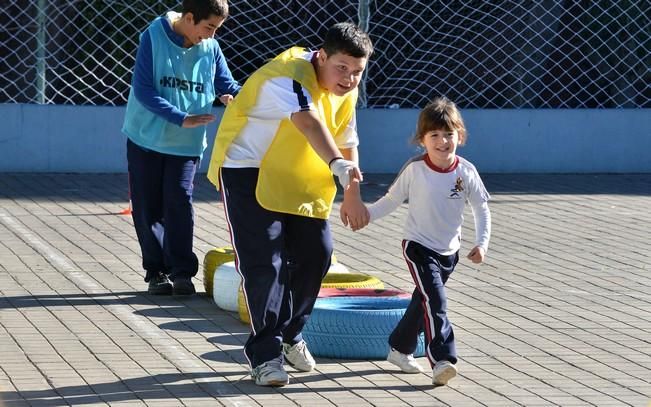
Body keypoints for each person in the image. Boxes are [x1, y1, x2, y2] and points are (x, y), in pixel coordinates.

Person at [206, 22, 373, 386]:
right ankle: (265, 354)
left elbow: (346, 137)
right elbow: (310, 123)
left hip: (295, 173)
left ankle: (290, 335)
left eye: (357, 72)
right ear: (322, 56)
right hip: (248, 170)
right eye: (341, 68)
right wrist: (337, 166)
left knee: (318, 253)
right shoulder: (290, 76)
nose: (347, 79)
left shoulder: (346, 91)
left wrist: (352, 193)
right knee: (265, 262)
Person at [357, 96, 491, 386]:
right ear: (422, 139)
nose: (443, 142)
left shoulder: (466, 171)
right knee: (436, 300)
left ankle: (400, 348)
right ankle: (442, 359)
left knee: (423, 300)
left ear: (460, 136)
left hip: (450, 251)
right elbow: (392, 199)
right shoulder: (415, 169)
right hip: (418, 246)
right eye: (435, 136)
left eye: (449, 135)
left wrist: (482, 243)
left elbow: (481, 207)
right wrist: (366, 215)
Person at [122, 0, 240, 296]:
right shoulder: (153, 35)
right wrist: (181, 118)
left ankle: (182, 272)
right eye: (209, 27)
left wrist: (233, 96)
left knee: (178, 202)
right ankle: (156, 272)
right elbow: (143, 90)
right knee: (148, 207)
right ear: (189, 17)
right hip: (145, 138)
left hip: (186, 145)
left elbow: (226, 83)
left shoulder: (210, 48)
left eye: (216, 29)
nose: (212, 35)